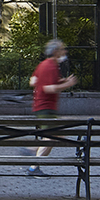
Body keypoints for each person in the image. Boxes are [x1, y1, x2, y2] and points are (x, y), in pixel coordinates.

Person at [27, 38, 77, 178]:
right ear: (55, 51)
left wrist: (62, 81)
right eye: (62, 49)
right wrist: (68, 84)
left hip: (43, 106)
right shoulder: (50, 66)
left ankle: (30, 151)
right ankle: (33, 165)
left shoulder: (45, 64)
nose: (64, 51)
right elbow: (48, 88)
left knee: (53, 135)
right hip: (46, 107)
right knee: (51, 137)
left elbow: (33, 81)